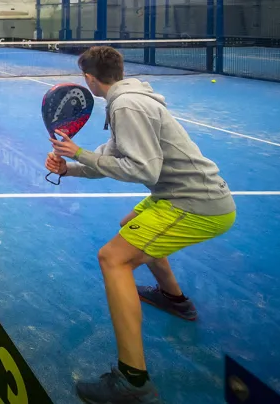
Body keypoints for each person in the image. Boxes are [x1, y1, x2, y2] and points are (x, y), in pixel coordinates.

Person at [46, 46, 235, 404]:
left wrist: (80, 154)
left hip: (194, 202)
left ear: (89, 78)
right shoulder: (126, 98)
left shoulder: (126, 105)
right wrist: (70, 168)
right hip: (180, 194)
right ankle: (175, 300)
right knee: (130, 223)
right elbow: (111, 159)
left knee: (113, 259)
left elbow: (143, 170)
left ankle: (133, 381)